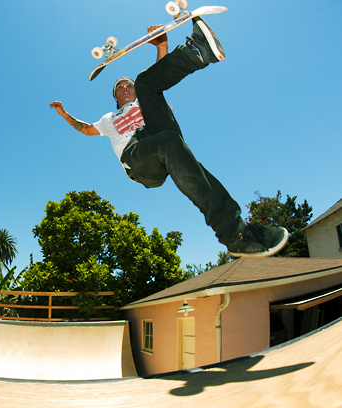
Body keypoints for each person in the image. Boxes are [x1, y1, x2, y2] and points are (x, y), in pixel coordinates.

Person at [50, 17, 288, 257]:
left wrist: (161, 46)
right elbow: (84, 128)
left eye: (127, 85)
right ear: (116, 98)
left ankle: (197, 52)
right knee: (165, 138)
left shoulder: (143, 97)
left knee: (148, 84)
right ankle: (234, 233)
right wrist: (63, 113)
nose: (125, 88)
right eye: (120, 88)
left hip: (161, 136)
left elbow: (159, 75)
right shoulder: (107, 119)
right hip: (138, 159)